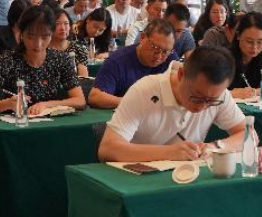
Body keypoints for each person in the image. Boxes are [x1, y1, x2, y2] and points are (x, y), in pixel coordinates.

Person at [98, 46, 247, 163]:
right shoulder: (144, 90)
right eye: (197, 97)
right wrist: (169, 152)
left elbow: (248, 135)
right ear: (181, 75)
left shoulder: (219, 95)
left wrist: (216, 147)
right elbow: (108, 149)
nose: (203, 106)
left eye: (211, 101)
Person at [0, 5, 86, 116]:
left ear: (51, 34)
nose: (38, 44)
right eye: (30, 36)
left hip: (49, 121)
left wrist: (47, 105)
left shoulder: (61, 59)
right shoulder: (7, 60)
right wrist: (6, 104)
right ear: (21, 34)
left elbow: (80, 100)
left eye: (44, 37)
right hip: (16, 122)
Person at [88, 19, 178, 109]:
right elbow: (95, 97)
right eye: (155, 47)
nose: (158, 56)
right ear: (142, 38)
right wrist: (135, 102)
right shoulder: (118, 60)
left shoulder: (171, 59)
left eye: (165, 51)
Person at [228, 12, 262, 99]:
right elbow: (209, 92)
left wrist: (254, 92)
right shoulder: (223, 58)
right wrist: (233, 93)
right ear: (238, 36)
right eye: (249, 41)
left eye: (260, 42)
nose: (254, 47)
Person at [50, 7, 89, 76]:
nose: (62, 28)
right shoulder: (43, 49)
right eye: (57, 23)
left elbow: (83, 78)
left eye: (66, 23)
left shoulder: (77, 49)